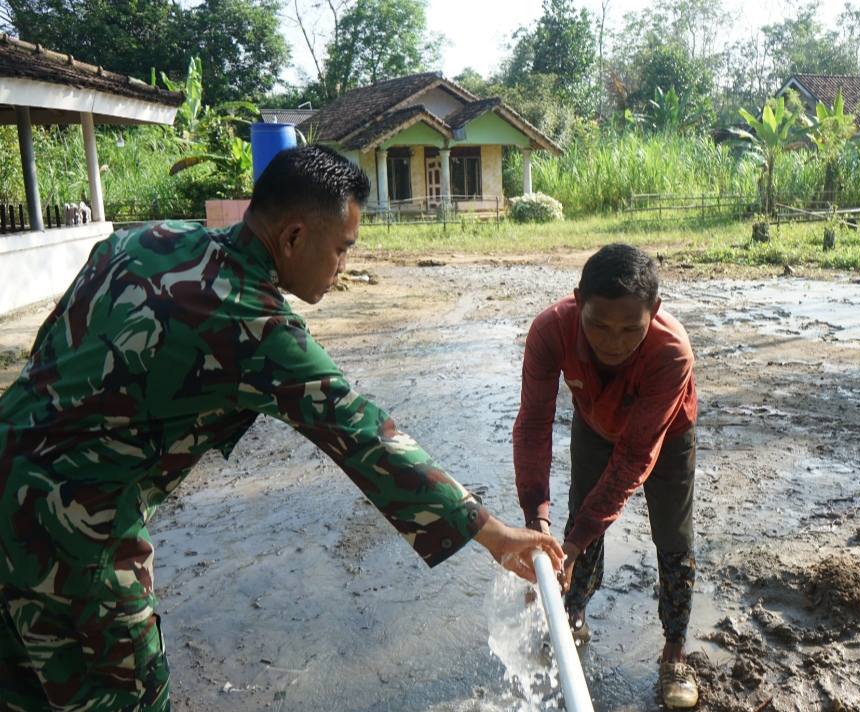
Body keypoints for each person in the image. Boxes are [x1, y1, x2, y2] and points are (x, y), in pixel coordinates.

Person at [0, 145, 562, 712]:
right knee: (123, 697)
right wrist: (491, 532)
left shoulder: (145, 240)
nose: (342, 267)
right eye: (341, 249)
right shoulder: (253, 322)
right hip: (73, 534)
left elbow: (50, 347)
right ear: (293, 237)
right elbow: (361, 429)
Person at [513, 243, 699, 709]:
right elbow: (534, 423)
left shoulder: (670, 351)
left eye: (629, 329)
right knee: (581, 520)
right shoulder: (549, 331)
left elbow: (635, 456)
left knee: (673, 537)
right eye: (598, 325)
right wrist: (537, 520)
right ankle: (571, 615)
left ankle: (674, 650)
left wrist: (571, 542)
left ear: (653, 313)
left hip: (665, 432)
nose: (613, 342)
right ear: (578, 300)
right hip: (595, 421)